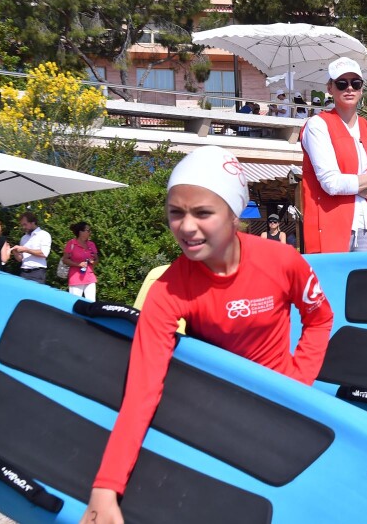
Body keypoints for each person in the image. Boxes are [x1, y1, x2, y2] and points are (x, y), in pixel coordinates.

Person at [79, 145, 333, 523]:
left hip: (282, 410)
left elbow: (320, 320)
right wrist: (106, 486)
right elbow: (143, 388)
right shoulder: (168, 292)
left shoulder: (282, 261)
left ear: (234, 216)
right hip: (217, 417)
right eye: (176, 213)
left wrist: (296, 385)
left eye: (202, 213)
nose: (186, 226)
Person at [301, 57, 367, 253]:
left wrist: (365, 190)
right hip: (330, 229)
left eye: (356, 83)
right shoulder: (317, 125)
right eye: (342, 83)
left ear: (362, 89)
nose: (349, 88)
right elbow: (331, 184)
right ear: (330, 88)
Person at [10, 211, 51, 284]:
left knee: (36, 295)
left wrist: (26, 250)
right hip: (24, 272)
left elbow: (44, 253)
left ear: (33, 222)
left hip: (37, 272)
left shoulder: (44, 235)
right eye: (22, 225)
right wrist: (15, 252)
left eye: (25, 224)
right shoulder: (24, 238)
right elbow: (20, 259)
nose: (23, 227)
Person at [62, 221, 99, 301]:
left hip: (90, 277)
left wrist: (93, 261)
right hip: (76, 278)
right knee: (74, 302)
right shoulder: (71, 243)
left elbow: (96, 259)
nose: (90, 232)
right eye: (88, 230)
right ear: (80, 232)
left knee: (91, 302)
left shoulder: (91, 244)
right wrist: (78, 264)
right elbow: (65, 259)